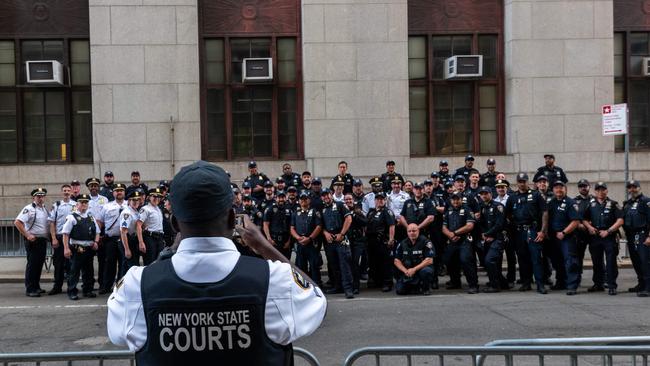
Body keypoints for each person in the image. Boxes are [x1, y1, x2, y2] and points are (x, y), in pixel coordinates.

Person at [107, 160, 327, 364]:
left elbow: (118, 334)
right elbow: (317, 300)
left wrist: (168, 254)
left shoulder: (135, 286)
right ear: (233, 219)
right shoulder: (276, 280)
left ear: (174, 224)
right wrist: (264, 247)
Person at [505, 173, 549, 294]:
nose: (522, 183)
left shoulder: (536, 195)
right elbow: (507, 213)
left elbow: (545, 212)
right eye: (520, 181)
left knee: (536, 258)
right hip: (519, 232)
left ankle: (540, 284)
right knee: (522, 258)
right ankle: (526, 283)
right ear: (517, 182)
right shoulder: (512, 197)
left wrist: (542, 231)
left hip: (533, 230)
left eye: (524, 181)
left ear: (528, 182)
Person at [582, 182, 623, 295]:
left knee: (611, 262)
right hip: (595, 237)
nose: (600, 192)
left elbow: (620, 220)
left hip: (609, 236)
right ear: (595, 192)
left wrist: (608, 231)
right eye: (598, 190)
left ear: (606, 191)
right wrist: (589, 227)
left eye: (603, 189)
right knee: (596, 262)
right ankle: (598, 284)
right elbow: (584, 219)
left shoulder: (614, 204)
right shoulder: (590, 204)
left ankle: (611, 285)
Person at [62, 194, 101, 300]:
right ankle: (72, 291)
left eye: (86, 202)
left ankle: (87, 290)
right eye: (82, 202)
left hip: (89, 249)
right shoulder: (72, 217)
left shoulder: (91, 217)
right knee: (74, 271)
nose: (84, 204)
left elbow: (97, 232)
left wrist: (96, 242)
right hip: (76, 248)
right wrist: (66, 248)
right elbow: (65, 234)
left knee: (89, 271)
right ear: (77, 204)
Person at [547, 181, 581, 295]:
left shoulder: (571, 203)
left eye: (561, 188)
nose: (558, 190)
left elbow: (576, 221)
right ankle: (561, 282)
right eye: (556, 188)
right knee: (557, 262)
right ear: (553, 190)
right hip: (554, 238)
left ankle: (572, 285)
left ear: (565, 189)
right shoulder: (551, 203)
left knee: (570, 261)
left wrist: (564, 232)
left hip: (567, 237)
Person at [14, 187, 50, 297]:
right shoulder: (29, 209)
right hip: (33, 240)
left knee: (39, 265)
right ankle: (30, 288)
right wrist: (27, 235)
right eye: (38, 196)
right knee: (32, 265)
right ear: (33, 197)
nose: (40, 198)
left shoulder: (44, 209)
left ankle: (36, 286)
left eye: (42, 196)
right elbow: (18, 222)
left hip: (42, 240)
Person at [320, 189, 354, 299]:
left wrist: (342, 234)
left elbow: (348, 219)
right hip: (330, 241)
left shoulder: (340, 205)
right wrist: (325, 233)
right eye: (324, 196)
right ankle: (338, 286)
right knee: (334, 265)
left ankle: (348, 289)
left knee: (345, 265)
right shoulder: (323, 210)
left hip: (341, 239)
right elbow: (321, 226)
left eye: (327, 195)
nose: (326, 197)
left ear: (331, 195)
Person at [442, 191, 479, 294]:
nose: (455, 201)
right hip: (452, 240)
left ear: (461, 199)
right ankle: (455, 282)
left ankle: (473, 285)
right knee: (449, 260)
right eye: (453, 199)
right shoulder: (448, 210)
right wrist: (450, 235)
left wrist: (455, 233)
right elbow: (444, 227)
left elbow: (470, 226)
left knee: (466, 260)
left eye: (457, 199)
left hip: (464, 240)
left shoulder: (467, 209)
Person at [97, 183, 128, 294]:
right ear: (113, 193)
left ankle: (120, 287)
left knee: (123, 264)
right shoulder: (107, 206)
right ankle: (106, 286)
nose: (119, 192)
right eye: (116, 190)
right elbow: (99, 221)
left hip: (125, 240)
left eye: (121, 190)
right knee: (110, 263)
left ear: (124, 192)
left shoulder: (129, 204)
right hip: (111, 240)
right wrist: (97, 236)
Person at [622, 180, 650, 297]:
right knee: (636, 261)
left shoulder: (646, 201)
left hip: (643, 234)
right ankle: (641, 283)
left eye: (635, 187)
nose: (632, 189)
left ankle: (648, 287)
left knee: (645, 261)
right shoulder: (626, 203)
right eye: (630, 187)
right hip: (631, 235)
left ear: (639, 188)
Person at [46, 184, 76, 296]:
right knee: (58, 264)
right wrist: (53, 238)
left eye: (68, 190)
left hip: (71, 238)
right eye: (64, 190)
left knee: (70, 264)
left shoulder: (76, 205)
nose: (66, 192)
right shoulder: (57, 205)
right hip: (59, 237)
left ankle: (71, 286)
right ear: (61, 192)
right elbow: (52, 222)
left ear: (72, 192)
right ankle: (57, 286)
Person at [477, 187, 508, 292]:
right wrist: (483, 234)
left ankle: (495, 286)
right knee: (492, 262)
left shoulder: (498, 206)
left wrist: (487, 234)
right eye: (482, 194)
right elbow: (481, 223)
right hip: (487, 238)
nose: (484, 196)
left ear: (491, 194)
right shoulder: (482, 207)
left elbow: (499, 224)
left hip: (498, 238)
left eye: (486, 193)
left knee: (489, 260)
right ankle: (503, 283)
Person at [290, 192, 323, 287]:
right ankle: (303, 287)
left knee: (314, 266)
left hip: (311, 244)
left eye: (305, 199)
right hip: (300, 244)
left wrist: (309, 238)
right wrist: (298, 238)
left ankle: (317, 286)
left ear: (309, 200)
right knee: (301, 267)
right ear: (299, 201)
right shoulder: (295, 213)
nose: (303, 201)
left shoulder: (315, 212)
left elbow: (319, 226)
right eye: (301, 199)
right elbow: (292, 228)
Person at [366, 192, 396, 292]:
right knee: (374, 262)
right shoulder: (371, 212)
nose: (380, 201)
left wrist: (391, 240)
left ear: (385, 200)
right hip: (372, 242)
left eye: (382, 199)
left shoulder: (387, 212)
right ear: (375, 201)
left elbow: (392, 226)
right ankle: (377, 281)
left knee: (386, 263)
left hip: (383, 240)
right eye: (378, 199)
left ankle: (387, 283)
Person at [394, 224, 435, 295]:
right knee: (400, 291)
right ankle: (415, 287)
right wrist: (405, 271)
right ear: (407, 232)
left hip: (420, 270)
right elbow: (396, 261)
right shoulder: (403, 243)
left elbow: (429, 260)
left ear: (418, 231)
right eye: (409, 231)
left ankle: (426, 288)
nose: (411, 233)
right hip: (408, 271)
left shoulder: (426, 242)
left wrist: (414, 269)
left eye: (414, 231)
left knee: (426, 271)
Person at [86, 177, 109, 287]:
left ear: (98, 187)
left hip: (102, 232)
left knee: (102, 260)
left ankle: (102, 283)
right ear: (88, 187)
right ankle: (88, 284)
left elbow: (107, 216)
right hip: (88, 233)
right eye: (92, 185)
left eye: (95, 185)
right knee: (87, 261)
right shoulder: (84, 199)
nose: (94, 187)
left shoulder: (104, 199)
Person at [494, 179, 516, 286]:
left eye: (503, 187)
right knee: (497, 256)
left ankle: (511, 279)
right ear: (496, 189)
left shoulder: (511, 199)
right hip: (498, 232)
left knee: (511, 256)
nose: (501, 189)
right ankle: (498, 278)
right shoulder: (494, 200)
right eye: (499, 187)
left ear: (506, 188)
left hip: (510, 231)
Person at [344, 193, 367, 294]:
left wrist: (353, 215)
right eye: (346, 200)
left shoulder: (358, 210)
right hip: (346, 241)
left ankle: (356, 286)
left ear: (353, 200)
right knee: (347, 264)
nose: (348, 201)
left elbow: (365, 222)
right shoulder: (342, 210)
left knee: (355, 263)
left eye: (350, 199)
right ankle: (348, 284)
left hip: (357, 241)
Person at [137, 188, 165, 265]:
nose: (157, 199)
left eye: (158, 197)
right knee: (149, 263)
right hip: (149, 238)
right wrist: (141, 242)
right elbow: (138, 225)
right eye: (154, 196)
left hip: (159, 238)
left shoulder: (158, 209)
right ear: (149, 197)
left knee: (159, 262)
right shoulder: (145, 209)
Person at [263, 191, 293, 259]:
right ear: (276, 198)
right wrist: (269, 238)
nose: (281, 199)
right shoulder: (270, 209)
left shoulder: (289, 210)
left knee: (286, 263)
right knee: (274, 262)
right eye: (279, 197)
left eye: (283, 197)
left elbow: (291, 226)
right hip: (274, 240)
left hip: (286, 241)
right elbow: (265, 224)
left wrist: (289, 241)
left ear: (286, 198)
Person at [573, 179, 593, 282]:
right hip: (580, 233)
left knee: (597, 257)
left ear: (589, 187)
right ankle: (577, 278)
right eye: (581, 186)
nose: (583, 188)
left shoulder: (595, 199)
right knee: (578, 256)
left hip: (593, 233)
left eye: (585, 186)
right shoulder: (574, 201)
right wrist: (579, 225)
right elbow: (572, 217)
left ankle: (601, 280)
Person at [119, 191, 142, 276]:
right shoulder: (127, 213)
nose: (136, 202)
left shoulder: (135, 211)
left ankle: (122, 286)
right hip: (127, 240)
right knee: (132, 266)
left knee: (126, 267)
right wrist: (127, 249)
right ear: (129, 201)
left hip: (132, 240)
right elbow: (123, 231)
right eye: (133, 200)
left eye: (138, 200)